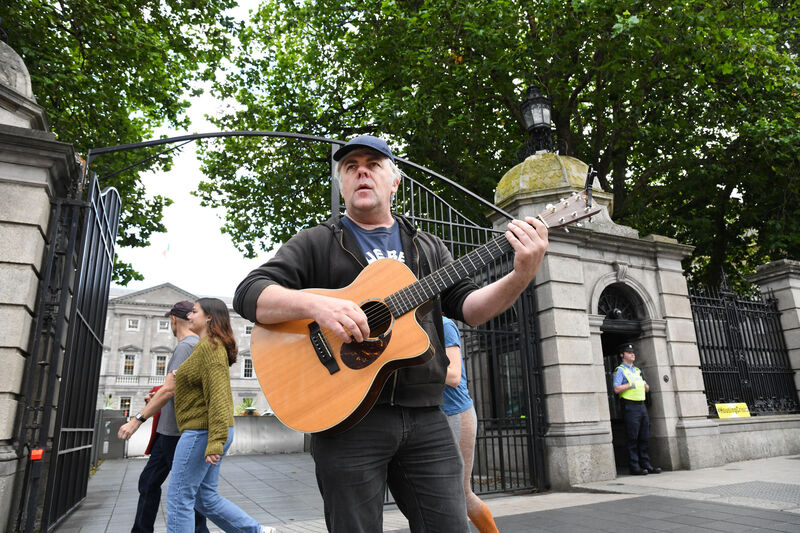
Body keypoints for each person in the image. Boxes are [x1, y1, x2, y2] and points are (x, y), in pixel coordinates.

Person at [233, 134, 549, 532]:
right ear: (342, 186)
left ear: (394, 181)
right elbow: (250, 293)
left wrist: (522, 274)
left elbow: (472, 308)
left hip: (427, 415)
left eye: (373, 164)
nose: (361, 172)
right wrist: (318, 306)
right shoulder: (317, 241)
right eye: (351, 167)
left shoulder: (428, 247)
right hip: (346, 419)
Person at [165, 298, 273, 533]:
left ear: (209, 317)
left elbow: (219, 395)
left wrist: (215, 441)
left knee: (179, 497)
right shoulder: (205, 347)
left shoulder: (211, 348)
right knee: (205, 499)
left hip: (202, 432)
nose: (189, 316)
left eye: (194, 312)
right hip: (207, 431)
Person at [117, 300, 209, 533]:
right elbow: (181, 386)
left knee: (185, 491)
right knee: (150, 482)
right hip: (170, 430)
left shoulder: (186, 346)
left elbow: (171, 389)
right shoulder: (194, 345)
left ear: (174, 320)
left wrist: (136, 420)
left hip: (176, 432)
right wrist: (157, 394)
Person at [441, 317, 499, 533]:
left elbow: (454, 376)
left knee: (461, 492)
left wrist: (411, 364)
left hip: (456, 414)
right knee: (441, 493)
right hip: (434, 416)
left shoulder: (444, 325)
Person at [612, 342, 661, 476]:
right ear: (622, 355)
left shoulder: (637, 370)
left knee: (644, 436)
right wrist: (630, 384)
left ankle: (646, 464)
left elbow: (647, 388)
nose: (632, 354)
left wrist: (644, 385)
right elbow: (616, 388)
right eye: (629, 352)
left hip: (641, 405)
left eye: (633, 352)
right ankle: (634, 466)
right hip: (630, 406)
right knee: (633, 437)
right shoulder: (620, 370)